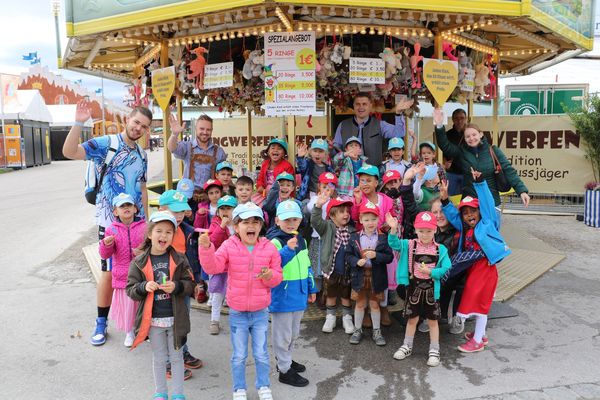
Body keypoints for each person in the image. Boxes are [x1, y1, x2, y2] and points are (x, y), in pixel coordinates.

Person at [62, 99, 150, 346]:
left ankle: (135, 322)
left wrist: (147, 219)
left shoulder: (142, 154)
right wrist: (78, 123)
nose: (138, 128)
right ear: (127, 120)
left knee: (136, 272)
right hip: (110, 224)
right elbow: (69, 152)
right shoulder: (107, 144)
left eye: (143, 126)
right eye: (135, 122)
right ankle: (101, 323)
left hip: (137, 224)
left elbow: (142, 188)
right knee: (109, 273)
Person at [199, 202, 283, 400]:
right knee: (239, 356)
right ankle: (239, 389)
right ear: (236, 227)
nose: (251, 226)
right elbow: (213, 267)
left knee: (261, 354)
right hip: (237, 312)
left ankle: (263, 386)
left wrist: (270, 275)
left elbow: (278, 277)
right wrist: (206, 248)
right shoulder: (229, 246)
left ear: (261, 225)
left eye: (255, 221)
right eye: (245, 222)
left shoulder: (269, 248)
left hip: (261, 312)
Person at [440, 168, 512, 353]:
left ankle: (478, 340)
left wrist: (480, 183)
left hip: (486, 269)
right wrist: (445, 199)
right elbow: (454, 216)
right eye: (465, 213)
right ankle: (480, 334)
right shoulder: (466, 228)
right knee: (477, 300)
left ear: (480, 212)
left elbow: (487, 203)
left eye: (473, 211)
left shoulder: (488, 223)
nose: (469, 215)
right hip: (475, 269)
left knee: (478, 303)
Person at [126, 211, 195, 400]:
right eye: (159, 231)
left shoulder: (180, 259)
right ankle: (160, 393)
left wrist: (177, 286)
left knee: (177, 357)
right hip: (154, 319)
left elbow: (190, 285)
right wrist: (143, 286)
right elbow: (130, 290)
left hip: (176, 319)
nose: (163, 236)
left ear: (174, 236)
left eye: (168, 232)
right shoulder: (139, 262)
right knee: (159, 358)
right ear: (149, 233)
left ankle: (178, 394)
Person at [387, 211, 452, 367]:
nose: (425, 234)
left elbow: (447, 267)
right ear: (416, 230)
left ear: (435, 230)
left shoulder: (440, 249)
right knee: (412, 319)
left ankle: (434, 350)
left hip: (431, 290)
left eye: (428, 231)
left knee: (432, 321)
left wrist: (432, 272)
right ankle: (407, 345)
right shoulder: (410, 244)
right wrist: (393, 229)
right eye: (421, 231)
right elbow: (393, 244)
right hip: (414, 287)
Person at [433, 108, 530, 209]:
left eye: (474, 134)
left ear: (481, 134)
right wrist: (439, 125)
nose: (471, 138)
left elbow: (509, 170)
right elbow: (445, 145)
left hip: (491, 202)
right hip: (469, 203)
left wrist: (522, 191)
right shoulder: (461, 152)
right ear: (465, 139)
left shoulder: (493, 150)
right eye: (468, 136)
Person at [266, 200, 317, 387]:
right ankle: (284, 369)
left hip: (299, 292)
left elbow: (307, 265)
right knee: (283, 334)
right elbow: (273, 265)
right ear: (277, 220)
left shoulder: (301, 240)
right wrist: (289, 249)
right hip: (283, 295)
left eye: (294, 219)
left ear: (300, 220)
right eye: (286, 219)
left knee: (293, 332)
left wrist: (311, 288)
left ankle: (285, 359)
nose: (290, 223)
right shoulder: (274, 241)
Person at [158, 190, 204, 375]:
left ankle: (182, 352)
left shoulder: (187, 230)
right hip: (165, 286)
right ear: (161, 209)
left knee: (182, 320)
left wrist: (196, 281)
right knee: (168, 323)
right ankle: (168, 361)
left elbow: (192, 259)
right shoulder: (156, 232)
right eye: (173, 211)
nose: (177, 216)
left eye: (180, 211)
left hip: (183, 285)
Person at [98, 193, 146, 347]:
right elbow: (105, 254)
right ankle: (130, 332)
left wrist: (144, 252)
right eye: (122, 206)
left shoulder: (145, 226)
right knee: (128, 306)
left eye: (129, 205)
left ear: (135, 208)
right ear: (115, 212)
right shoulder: (111, 229)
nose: (126, 208)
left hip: (142, 273)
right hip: (123, 275)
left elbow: (151, 246)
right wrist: (106, 245)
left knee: (142, 304)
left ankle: (143, 330)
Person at [346, 202, 394, 346]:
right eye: (366, 220)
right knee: (360, 304)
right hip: (359, 276)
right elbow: (348, 255)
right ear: (360, 220)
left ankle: (377, 331)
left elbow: (389, 257)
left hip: (376, 277)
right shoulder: (354, 237)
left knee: (374, 304)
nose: (370, 223)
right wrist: (356, 261)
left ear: (378, 219)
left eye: (373, 219)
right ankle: (357, 330)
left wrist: (377, 256)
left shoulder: (383, 238)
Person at [311, 193, 355, 334]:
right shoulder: (327, 227)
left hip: (347, 270)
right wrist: (318, 206)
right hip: (331, 269)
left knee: (346, 294)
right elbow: (315, 221)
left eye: (347, 211)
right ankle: (330, 317)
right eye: (341, 211)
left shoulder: (351, 230)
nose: (346, 214)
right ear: (332, 215)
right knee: (330, 294)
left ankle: (347, 318)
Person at [333, 92, 414, 166]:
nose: (361, 107)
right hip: (348, 174)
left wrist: (398, 113)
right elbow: (336, 149)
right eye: (358, 104)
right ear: (353, 106)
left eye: (364, 104)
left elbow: (399, 133)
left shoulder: (380, 125)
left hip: (373, 174)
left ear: (370, 106)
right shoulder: (343, 125)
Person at [168, 114, 227, 209]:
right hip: (187, 197)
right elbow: (172, 148)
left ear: (212, 130)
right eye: (202, 129)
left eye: (208, 129)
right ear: (196, 129)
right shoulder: (187, 146)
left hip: (210, 199)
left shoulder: (219, 152)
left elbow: (223, 174)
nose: (205, 132)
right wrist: (174, 134)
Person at [207, 195, 238, 335]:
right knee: (217, 293)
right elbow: (212, 241)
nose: (225, 211)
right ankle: (214, 321)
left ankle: (236, 321)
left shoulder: (239, 225)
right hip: (220, 266)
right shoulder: (215, 224)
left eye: (229, 208)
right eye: (222, 209)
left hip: (235, 266)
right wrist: (222, 226)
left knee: (234, 294)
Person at [444, 109, 468, 196]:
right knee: (451, 198)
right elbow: (444, 150)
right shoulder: (447, 134)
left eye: (462, 118)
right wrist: (445, 162)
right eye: (457, 118)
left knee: (467, 199)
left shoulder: (470, 134)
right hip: (451, 172)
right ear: (453, 120)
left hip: (466, 172)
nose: (459, 121)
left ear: (466, 119)